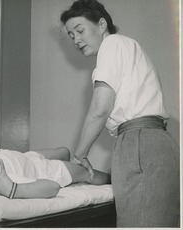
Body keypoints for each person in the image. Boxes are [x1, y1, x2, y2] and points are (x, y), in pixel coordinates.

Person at [59, 0, 179, 227]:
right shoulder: (129, 47)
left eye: (80, 30)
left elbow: (100, 109)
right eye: (71, 35)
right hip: (158, 142)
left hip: (139, 141)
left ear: (102, 24)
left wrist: (80, 155)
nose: (75, 39)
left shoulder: (112, 44)